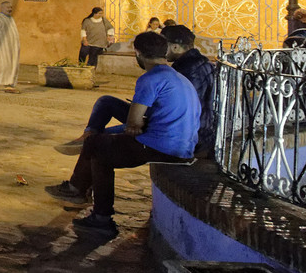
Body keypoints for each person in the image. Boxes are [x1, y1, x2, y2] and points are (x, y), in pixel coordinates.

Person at [45, 30, 201, 238]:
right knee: (102, 132)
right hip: (183, 145)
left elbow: (134, 122)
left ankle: (99, 215)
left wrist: (131, 126)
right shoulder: (178, 77)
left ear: (137, 54)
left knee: (98, 147)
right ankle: (78, 187)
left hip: (162, 147)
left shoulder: (150, 78)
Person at [162, 24, 217, 160]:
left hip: (194, 135)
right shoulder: (203, 63)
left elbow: (185, 107)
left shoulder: (188, 69)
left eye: (163, 46)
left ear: (175, 47)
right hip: (206, 131)